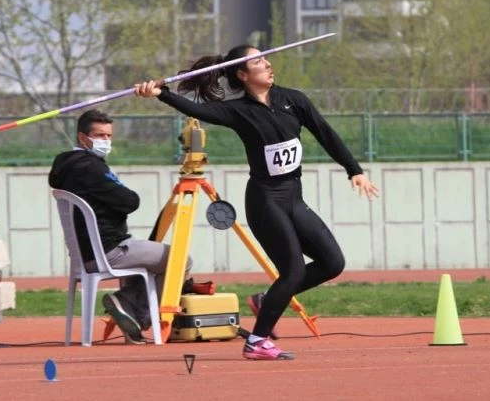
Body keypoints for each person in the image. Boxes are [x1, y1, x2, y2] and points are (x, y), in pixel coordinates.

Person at [134, 45, 380, 361]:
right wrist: (160, 93)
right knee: (291, 271)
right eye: (258, 61)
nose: (267, 64)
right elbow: (200, 111)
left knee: (332, 262)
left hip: (294, 197)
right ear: (242, 73)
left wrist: (354, 170)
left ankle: (267, 299)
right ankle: (257, 341)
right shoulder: (239, 111)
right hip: (266, 202)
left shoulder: (294, 100)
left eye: (266, 58)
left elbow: (325, 133)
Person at [48, 109, 194, 344]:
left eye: (108, 136)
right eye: (100, 135)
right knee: (181, 261)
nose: (105, 141)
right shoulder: (91, 168)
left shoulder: (64, 165)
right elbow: (130, 201)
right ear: (83, 138)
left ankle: (128, 307)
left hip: (86, 254)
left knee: (149, 259)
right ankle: (134, 311)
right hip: (111, 251)